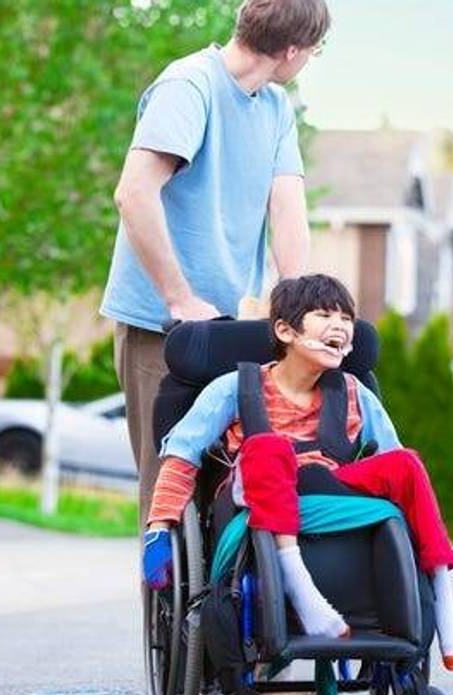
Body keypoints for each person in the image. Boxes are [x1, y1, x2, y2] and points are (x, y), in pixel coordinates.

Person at [141, 275, 453, 671]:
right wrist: (159, 528)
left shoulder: (354, 392)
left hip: (328, 485)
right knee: (268, 446)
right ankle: (301, 589)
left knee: (407, 463)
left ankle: (442, 601)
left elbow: (392, 458)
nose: (341, 325)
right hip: (257, 488)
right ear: (285, 330)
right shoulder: (235, 387)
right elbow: (182, 456)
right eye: (324, 314)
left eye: (347, 317)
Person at [100, 0, 329, 523]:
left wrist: (299, 309)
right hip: (163, 328)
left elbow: (287, 208)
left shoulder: (274, 108)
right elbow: (134, 194)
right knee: (169, 498)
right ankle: (165, 608)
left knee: (232, 486)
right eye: (315, 49)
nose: (312, 58)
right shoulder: (189, 86)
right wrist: (179, 297)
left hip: (230, 329)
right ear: (292, 50)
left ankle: (225, 607)